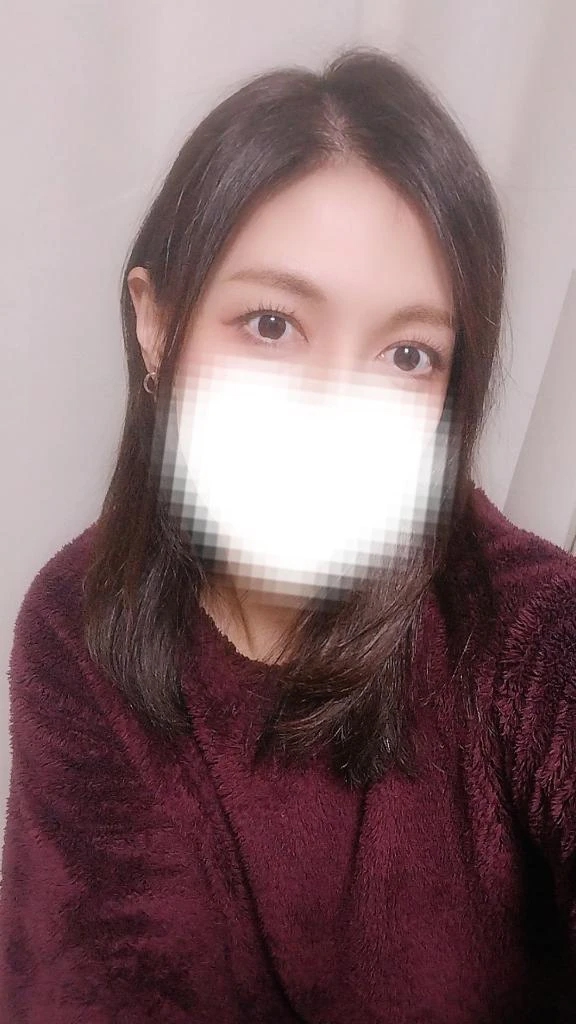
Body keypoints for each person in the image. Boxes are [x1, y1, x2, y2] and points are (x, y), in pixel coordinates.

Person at [1, 46, 575, 1024]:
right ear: (156, 323)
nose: (332, 410)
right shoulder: (79, 618)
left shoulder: (525, 627)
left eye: (408, 353)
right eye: (271, 324)